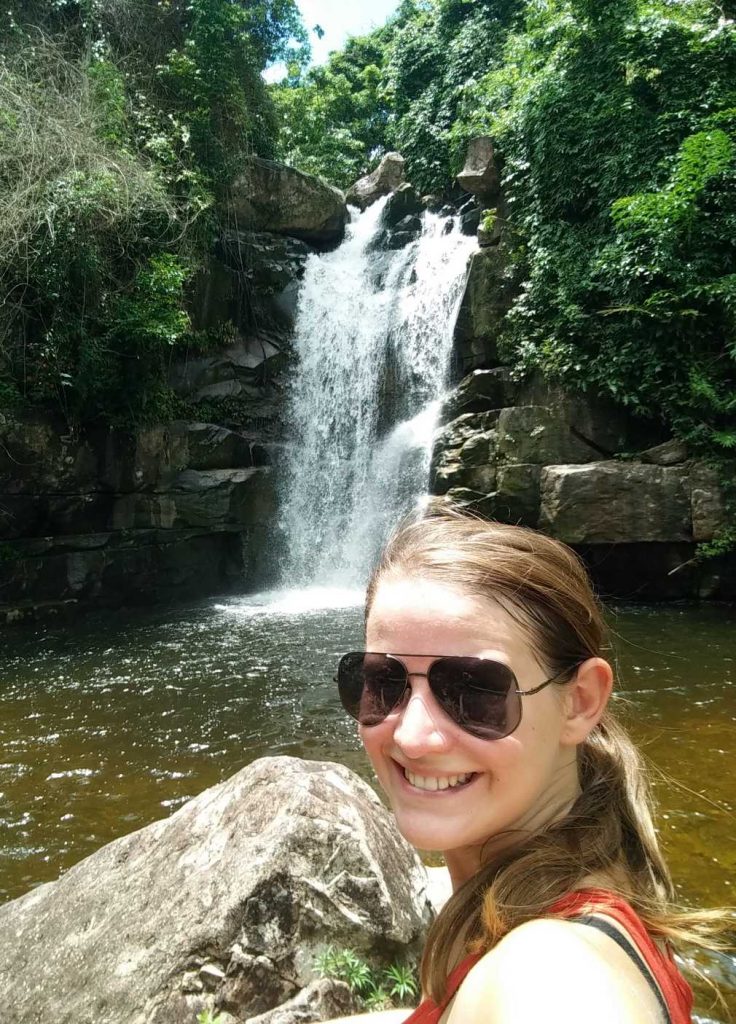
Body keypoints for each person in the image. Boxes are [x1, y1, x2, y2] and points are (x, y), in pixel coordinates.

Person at [328, 505, 730, 1024]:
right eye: (383, 682)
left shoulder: (547, 970)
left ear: (580, 702)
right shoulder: (550, 894)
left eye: (473, 691)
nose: (411, 736)